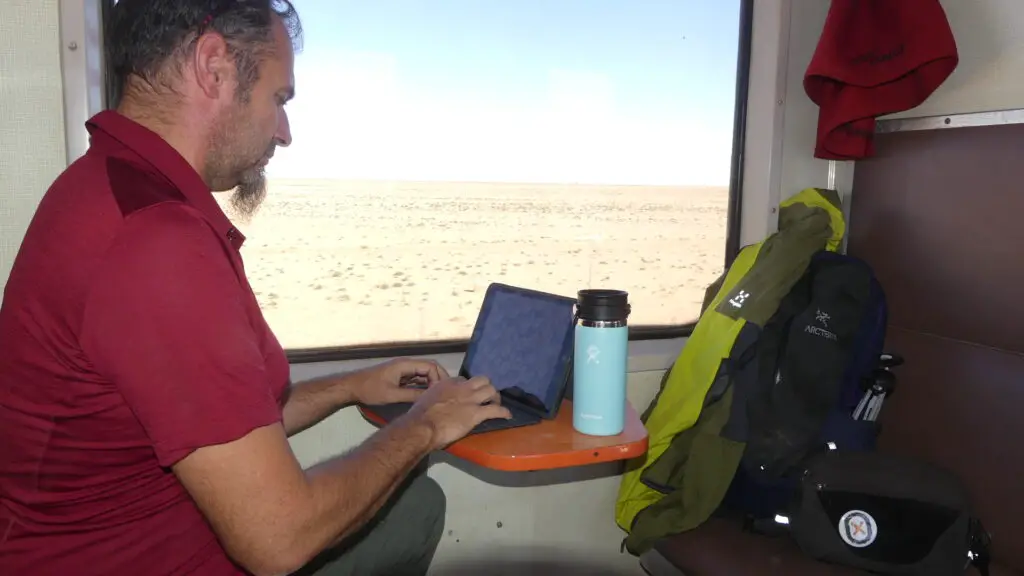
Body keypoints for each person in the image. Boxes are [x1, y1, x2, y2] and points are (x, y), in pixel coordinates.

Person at [0, 1, 511, 575]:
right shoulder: (154, 244)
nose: (286, 132)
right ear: (214, 65)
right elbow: (278, 539)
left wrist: (350, 385)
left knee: (414, 504)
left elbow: (212, 425)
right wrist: (428, 424)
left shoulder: (104, 189)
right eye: (280, 98)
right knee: (416, 502)